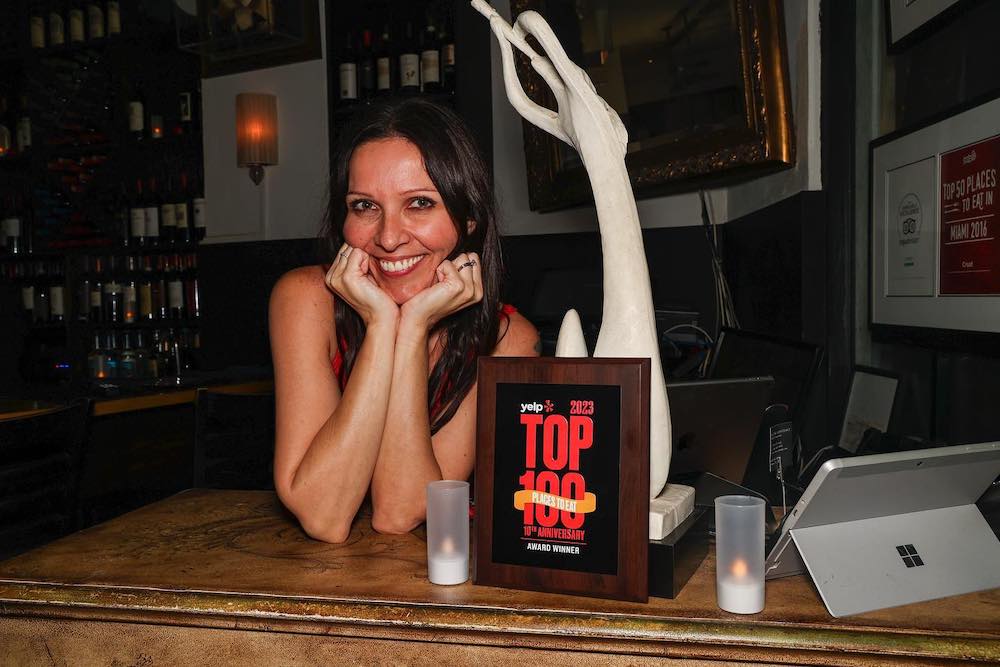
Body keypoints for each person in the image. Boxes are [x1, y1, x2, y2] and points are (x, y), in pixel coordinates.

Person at [269, 98, 539, 543]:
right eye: (364, 206)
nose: (389, 238)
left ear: (468, 217)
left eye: (419, 202)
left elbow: (398, 512)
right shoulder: (304, 300)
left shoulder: (507, 341)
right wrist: (380, 325)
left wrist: (411, 328)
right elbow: (322, 513)